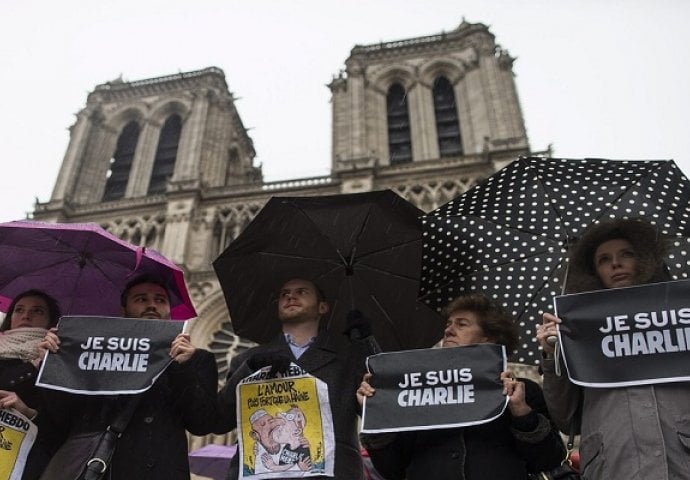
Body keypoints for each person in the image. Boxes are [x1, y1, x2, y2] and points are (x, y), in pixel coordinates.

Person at [537, 217, 690, 480]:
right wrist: (554, 357)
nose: (615, 263)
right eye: (604, 260)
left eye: (626, 254)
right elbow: (565, 418)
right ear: (593, 272)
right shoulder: (577, 330)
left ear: (643, 260)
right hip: (613, 465)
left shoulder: (680, 313)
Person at [358, 293, 566, 480]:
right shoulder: (416, 390)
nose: (448, 330)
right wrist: (375, 412)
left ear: (489, 337)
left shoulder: (523, 391)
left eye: (461, 324)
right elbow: (391, 469)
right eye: (448, 324)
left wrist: (522, 413)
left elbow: (549, 460)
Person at [36, 274, 219, 480]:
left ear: (169, 310)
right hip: (97, 468)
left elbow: (203, 423)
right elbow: (60, 420)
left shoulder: (196, 360)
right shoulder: (96, 350)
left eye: (160, 300)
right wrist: (53, 365)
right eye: (141, 299)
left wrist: (183, 367)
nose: (151, 305)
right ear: (123, 310)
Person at [215, 277, 379, 480]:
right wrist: (248, 369)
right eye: (284, 294)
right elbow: (220, 420)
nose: (290, 296)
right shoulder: (249, 360)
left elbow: (378, 405)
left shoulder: (348, 357)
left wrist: (367, 344)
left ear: (322, 307)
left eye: (302, 292)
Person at [0, 289, 61, 479]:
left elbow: (60, 425)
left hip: (23, 462)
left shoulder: (57, 359)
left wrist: (27, 412)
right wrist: (31, 367)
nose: (26, 315)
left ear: (51, 322)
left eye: (37, 311)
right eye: (19, 310)